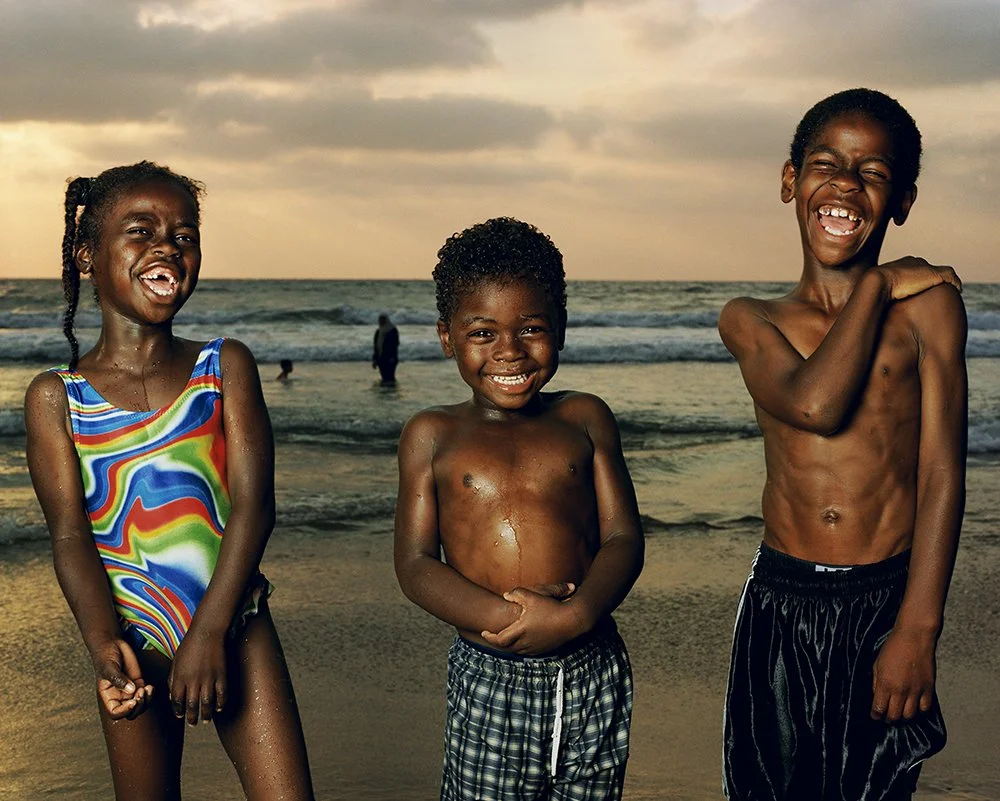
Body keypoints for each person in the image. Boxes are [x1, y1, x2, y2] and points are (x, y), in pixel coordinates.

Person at [23, 162, 315, 801]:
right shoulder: (57, 400)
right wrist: (103, 644)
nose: (167, 246)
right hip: (132, 644)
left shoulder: (225, 366)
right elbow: (70, 537)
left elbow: (255, 509)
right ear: (86, 257)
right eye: (141, 230)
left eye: (184, 235)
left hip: (234, 626)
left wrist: (210, 632)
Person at [718, 89, 967, 801]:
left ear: (903, 201)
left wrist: (919, 627)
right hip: (781, 601)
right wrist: (880, 284)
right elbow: (815, 403)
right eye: (827, 164)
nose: (847, 185)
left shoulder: (932, 312)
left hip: (887, 601)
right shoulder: (749, 318)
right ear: (790, 180)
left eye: (874, 172)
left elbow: (943, 470)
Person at [394, 217, 644, 801]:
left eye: (530, 328)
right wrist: (511, 622)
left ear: (560, 328)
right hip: (491, 673)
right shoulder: (431, 434)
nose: (509, 351)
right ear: (446, 337)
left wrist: (576, 616)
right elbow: (415, 564)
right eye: (483, 333)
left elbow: (624, 540)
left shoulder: (585, 417)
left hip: (594, 667)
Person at [372, 312, 399, 384]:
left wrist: (393, 357)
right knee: (384, 378)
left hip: (390, 359)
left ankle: (391, 392)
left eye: (383, 319)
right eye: (380, 319)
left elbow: (395, 345)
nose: (381, 321)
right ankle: (386, 392)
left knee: (390, 378)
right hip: (381, 359)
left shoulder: (392, 331)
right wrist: (375, 359)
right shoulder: (378, 332)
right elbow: (375, 346)